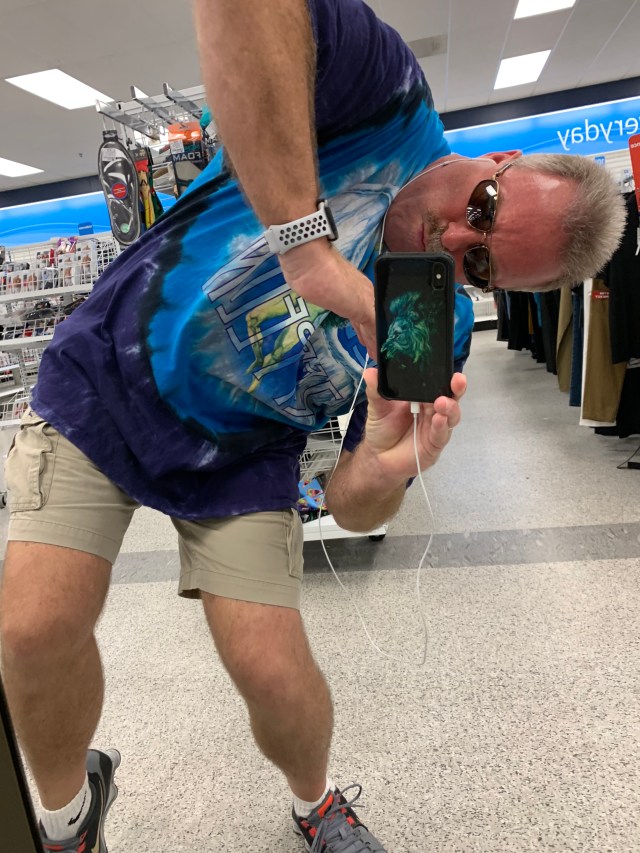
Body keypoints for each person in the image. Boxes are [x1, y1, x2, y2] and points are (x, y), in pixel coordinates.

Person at [0, 0, 625, 851]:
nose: (451, 237)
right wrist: (308, 249)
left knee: (275, 672)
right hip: (104, 375)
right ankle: (69, 818)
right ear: (501, 161)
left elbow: (354, 507)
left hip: (244, 453)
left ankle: (317, 801)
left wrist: (385, 463)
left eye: (478, 264)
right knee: (34, 626)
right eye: (483, 207)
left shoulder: (430, 326)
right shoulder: (384, 96)